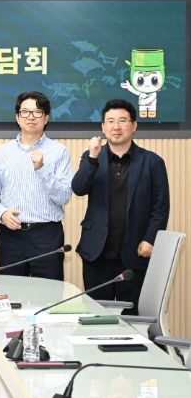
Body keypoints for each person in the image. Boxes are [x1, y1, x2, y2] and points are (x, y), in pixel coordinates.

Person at [72, 99, 169, 315]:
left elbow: (160, 206)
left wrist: (150, 239)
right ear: (103, 127)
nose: (116, 126)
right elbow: (78, 188)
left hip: (135, 253)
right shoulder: (91, 158)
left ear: (134, 126)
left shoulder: (152, 162)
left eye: (123, 120)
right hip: (96, 253)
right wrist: (92, 157)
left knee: (131, 316)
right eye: (110, 121)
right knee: (97, 314)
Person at [0, 91, 72, 280]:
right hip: (10, 235)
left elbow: (64, 197)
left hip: (47, 235)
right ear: (17, 117)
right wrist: (1, 213)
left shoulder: (59, 151)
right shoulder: (2, 152)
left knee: (49, 291)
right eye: (25, 112)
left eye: (37, 112)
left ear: (46, 118)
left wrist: (41, 169)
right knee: (12, 291)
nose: (31, 117)